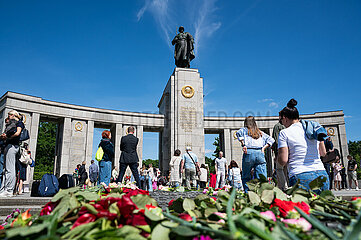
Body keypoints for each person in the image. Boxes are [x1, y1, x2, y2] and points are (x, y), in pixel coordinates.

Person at [278, 99, 329, 193]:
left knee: (304, 207)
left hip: (300, 174)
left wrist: (278, 158)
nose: (282, 124)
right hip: (322, 174)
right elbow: (323, 153)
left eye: (281, 121)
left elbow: (283, 160)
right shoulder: (314, 128)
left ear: (285, 118)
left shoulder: (284, 133)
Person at [236, 116, 275, 192]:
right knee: (262, 176)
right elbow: (271, 139)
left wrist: (243, 144)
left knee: (246, 175)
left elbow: (238, 133)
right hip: (259, 152)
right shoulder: (259, 132)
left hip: (249, 152)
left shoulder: (244, 130)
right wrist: (264, 148)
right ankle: (262, 192)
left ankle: (248, 192)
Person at [0, 110, 24, 197]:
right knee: (5, 169)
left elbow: (17, 133)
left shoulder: (19, 123)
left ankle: (9, 190)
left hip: (13, 146)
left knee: (10, 169)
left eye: (9, 115)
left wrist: (8, 137)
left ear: (14, 115)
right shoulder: (9, 124)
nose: (8, 116)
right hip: (7, 146)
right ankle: (3, 189)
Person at [272, 114, 288, 191]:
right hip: (290, 152)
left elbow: (276, 140)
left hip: (281, 152)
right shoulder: (289, 126)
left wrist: (277, 153)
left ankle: (284, 187)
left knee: (279, 169)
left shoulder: (277, 126)